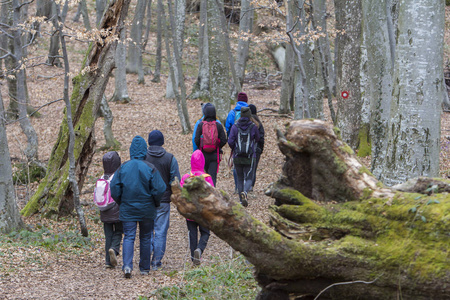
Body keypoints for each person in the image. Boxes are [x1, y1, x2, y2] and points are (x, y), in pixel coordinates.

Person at [110, 136, 166, 278]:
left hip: (128, 208)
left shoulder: (123, 168)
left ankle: (128, 266)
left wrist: (121, 201)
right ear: (144, 151)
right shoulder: (150, 168)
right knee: (146, 237)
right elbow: (160, 188)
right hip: (147, 209)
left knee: (129, 236)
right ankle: (144, 268)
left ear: (131, 151)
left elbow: (114, 187)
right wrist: (155, 201)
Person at [145, 130, 180, 271]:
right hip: (164, 201)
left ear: (149, 142)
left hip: (147, 200)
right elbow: (175, 180)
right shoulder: (170, 158)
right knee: (160, 231)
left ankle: (147, 258)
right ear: (162, 142)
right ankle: (156, 262)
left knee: (148, 231)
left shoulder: (143, 157)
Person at [180, 150, 214, 266]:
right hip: (203, 212)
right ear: (203, 162)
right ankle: (199, 249)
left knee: (192, 234)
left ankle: (193, 259)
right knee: (205, 233)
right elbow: (212, 194)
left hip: (190, 212)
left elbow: (180, 193)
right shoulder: (207, 178)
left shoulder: (186, 177)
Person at [94, 151, 123, 269]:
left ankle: (108, 262)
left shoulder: (102, 177)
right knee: (119, 230)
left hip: (104, 211)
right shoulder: (117, 176)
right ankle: (114, 249)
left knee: (108, 235)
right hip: (116, 210)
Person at [227, 106, 260, 207]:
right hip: (250, 156)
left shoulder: (235, 127)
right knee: (249, 177)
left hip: (237, 156)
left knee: (240, 178)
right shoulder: (254, 126)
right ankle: (245, 192)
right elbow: (258, 138)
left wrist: (234, 148)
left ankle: (241, 201)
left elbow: (230, 141)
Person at [194, 103, 227, 186]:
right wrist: (218, 146)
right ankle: (213, 195)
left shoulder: (200, 124)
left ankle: (205, 195)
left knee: (204, 176)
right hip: (215, 155)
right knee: (212, 177)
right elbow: (224, 139)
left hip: (203, 155)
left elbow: (196, 139)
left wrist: (201, 146)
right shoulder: (218, 125)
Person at [225, 92, 249, 193]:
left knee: (236, 165)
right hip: (248, 143)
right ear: (246, 101)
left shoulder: (232, 112)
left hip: (236, 143)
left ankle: (237, 187)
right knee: (247, 165)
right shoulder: (249, 112)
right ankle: (246, 188)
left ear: (238, 100)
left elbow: (227, 126)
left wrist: (231, 139)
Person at [248, 104, 265, 192]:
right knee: (253, 168)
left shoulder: (246, 122)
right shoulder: (258, 123)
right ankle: (251, 186)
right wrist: (260, 149)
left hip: (246, 149)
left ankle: (244, 185)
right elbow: (261, 137)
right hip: (256, 149)